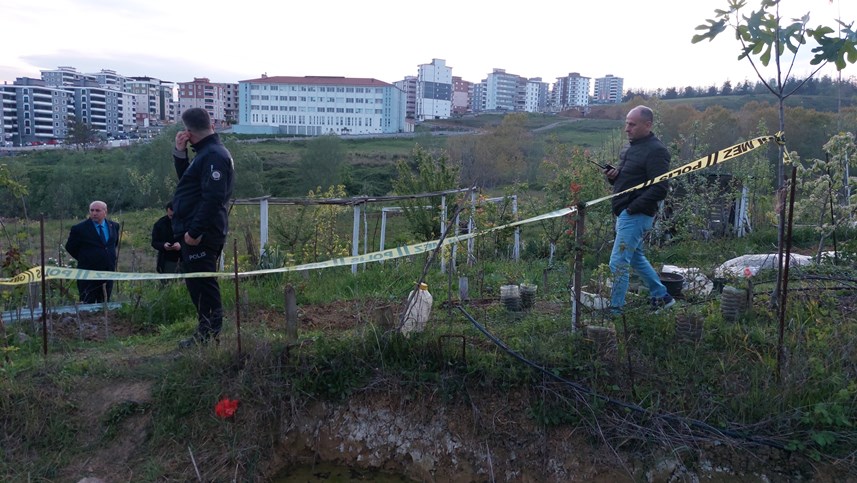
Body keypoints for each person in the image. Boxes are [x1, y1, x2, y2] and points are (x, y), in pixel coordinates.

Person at [171, 107, 235, 348]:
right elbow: (190, 184)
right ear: (212, 125)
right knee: (197, 284)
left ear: (188, 131)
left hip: (201, 234)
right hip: (195, 231)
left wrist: (194, 233)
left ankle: (208, 336)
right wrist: (180, 154)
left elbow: (213, 198)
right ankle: (205, 333)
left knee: (203, 284)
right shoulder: (205, 153)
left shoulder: (213, 155)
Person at [605, 105, 674, 314]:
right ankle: (662, 296)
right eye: (626, 123)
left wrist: (632, 208)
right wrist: (614, 177)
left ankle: (615, 311)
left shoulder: (657, 150)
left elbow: (661, 188)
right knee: (636, 258)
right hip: (626, 213)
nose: (627, 128)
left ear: (648, 125)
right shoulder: (631, 147)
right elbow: (631, 179)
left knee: (617, 262)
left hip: (635, 214)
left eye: (632, 124)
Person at [65, 200, 121, 303]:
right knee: (87, 303)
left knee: (104, 302)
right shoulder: (79, 229)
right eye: (92, 210)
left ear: (105, 212)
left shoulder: (114, 226)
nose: (94, 213)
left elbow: (113, 244)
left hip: (107, 271)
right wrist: (85, 258)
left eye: (97, 210)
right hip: (87, 273)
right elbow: (70, 247)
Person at [151, 201, 182, 279]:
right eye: (171, 216)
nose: (173, 218)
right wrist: (163, 245)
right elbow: (154, 242)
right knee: (167, 285)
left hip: (184, 259)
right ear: (167, 212)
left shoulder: (186, 222)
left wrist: (181, 245)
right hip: (167, 260)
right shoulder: (159, 224)